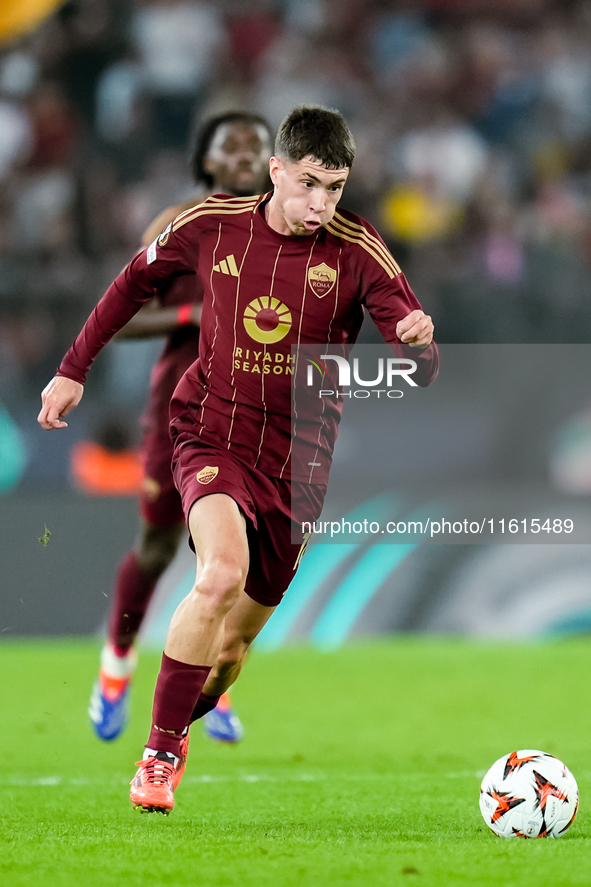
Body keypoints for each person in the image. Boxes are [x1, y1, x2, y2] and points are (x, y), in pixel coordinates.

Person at [38, 105, 438, 816]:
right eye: (309, 183)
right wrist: (73, 369)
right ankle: (158, 755)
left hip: (297, 468)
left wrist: (417, 345)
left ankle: (182, 720)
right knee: (218, 572)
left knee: (228, 656)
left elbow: (420, 365)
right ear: (277, 170)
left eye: (335, 188)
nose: (321, 203)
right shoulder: (209, 225)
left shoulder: (358, 249)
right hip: (209, 433)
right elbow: (131, 282)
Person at [86, 111, 273, 744]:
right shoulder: (179, 224)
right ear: (208, 160)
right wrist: (198, 312)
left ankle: (201, 680)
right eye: (231, 144)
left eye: (257, 144)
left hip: (253, 419)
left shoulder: (294, 231)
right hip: (178, 411)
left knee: (227, 561)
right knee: (160, 547)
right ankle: (117, 665)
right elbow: (123, 314)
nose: (245, 153)